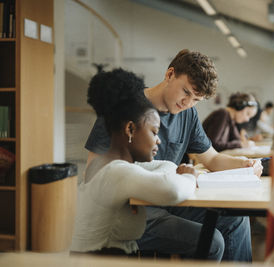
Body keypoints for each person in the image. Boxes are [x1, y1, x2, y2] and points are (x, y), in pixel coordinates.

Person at [85, 49, 263, 262]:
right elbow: (93, 171)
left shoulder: (187, 113)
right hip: (130, 210)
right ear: (170, 75)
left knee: (236, 220)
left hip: (169, 200)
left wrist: (244, 164)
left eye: (196, 99)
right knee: (212, 241)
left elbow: (212, 158)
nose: (187, 103)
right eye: (186, 92)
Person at [70, 69, 226, 259]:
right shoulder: (117, 172)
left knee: (224, 225)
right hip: (102, 258)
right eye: (153, 132)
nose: (159, 139)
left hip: (123, 248)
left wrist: (173, 170)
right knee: (212, 241)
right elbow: (173, 190)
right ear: (130, 130)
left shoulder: (121, 165)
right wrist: (189, 176)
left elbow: (165, 166)